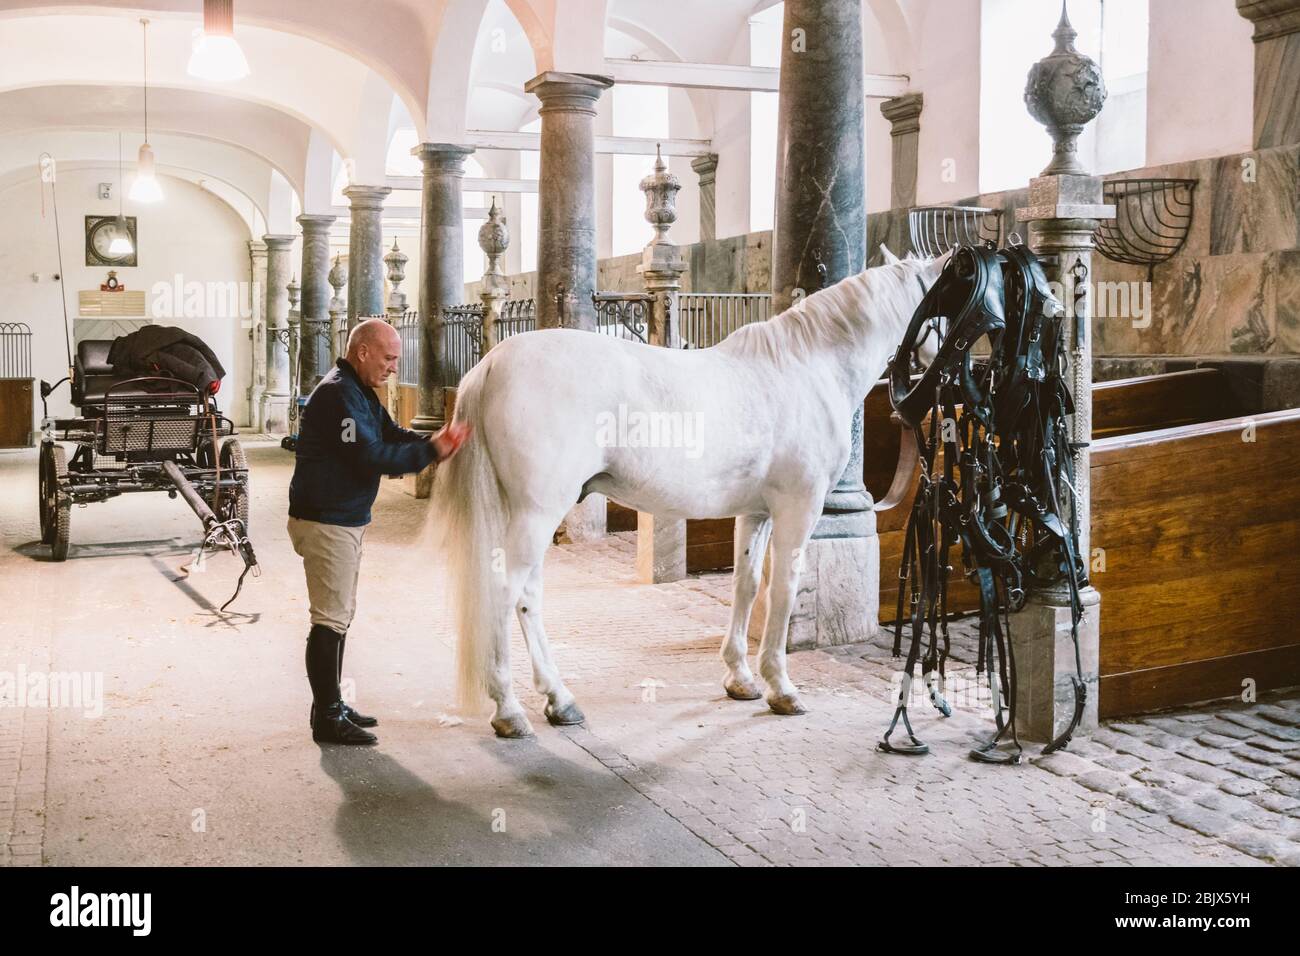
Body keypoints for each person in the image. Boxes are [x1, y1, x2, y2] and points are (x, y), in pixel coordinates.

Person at [288, 318, 470, 745]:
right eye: (389, 358)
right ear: (363, 351)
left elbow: (389, 433)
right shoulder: (339, 395)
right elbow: (372, 457)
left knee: (339, 615)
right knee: (330, 620)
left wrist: (435, 438)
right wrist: (431, 451)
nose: (393, 368)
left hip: (339, 516)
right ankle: (328, 717)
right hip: (327, 519)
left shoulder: (356, 391)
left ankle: (330, 704)